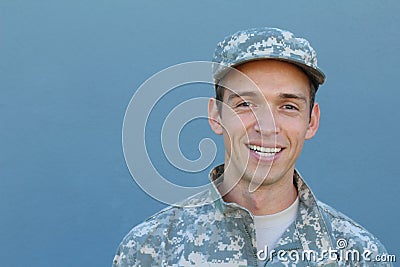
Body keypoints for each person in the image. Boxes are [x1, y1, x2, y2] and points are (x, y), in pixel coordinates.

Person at [113, 27, 391, 266]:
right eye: (245, 104)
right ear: (215, 116)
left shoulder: (359, 254)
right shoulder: (151, 249)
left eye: (288, 106)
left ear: (312, 121)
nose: (267, 127)